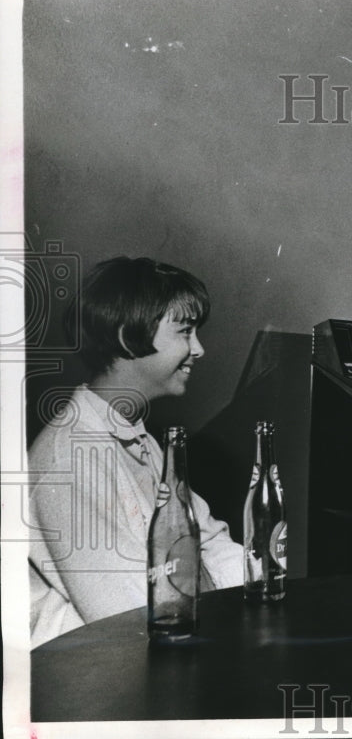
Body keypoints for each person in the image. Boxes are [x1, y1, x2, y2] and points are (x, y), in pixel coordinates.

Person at [28, 257, 243, 646]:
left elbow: (210, 541)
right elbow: (134, 615)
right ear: (129, 337)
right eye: (186, 331)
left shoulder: (142, 441)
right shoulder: (70, 460)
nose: (199, 349)